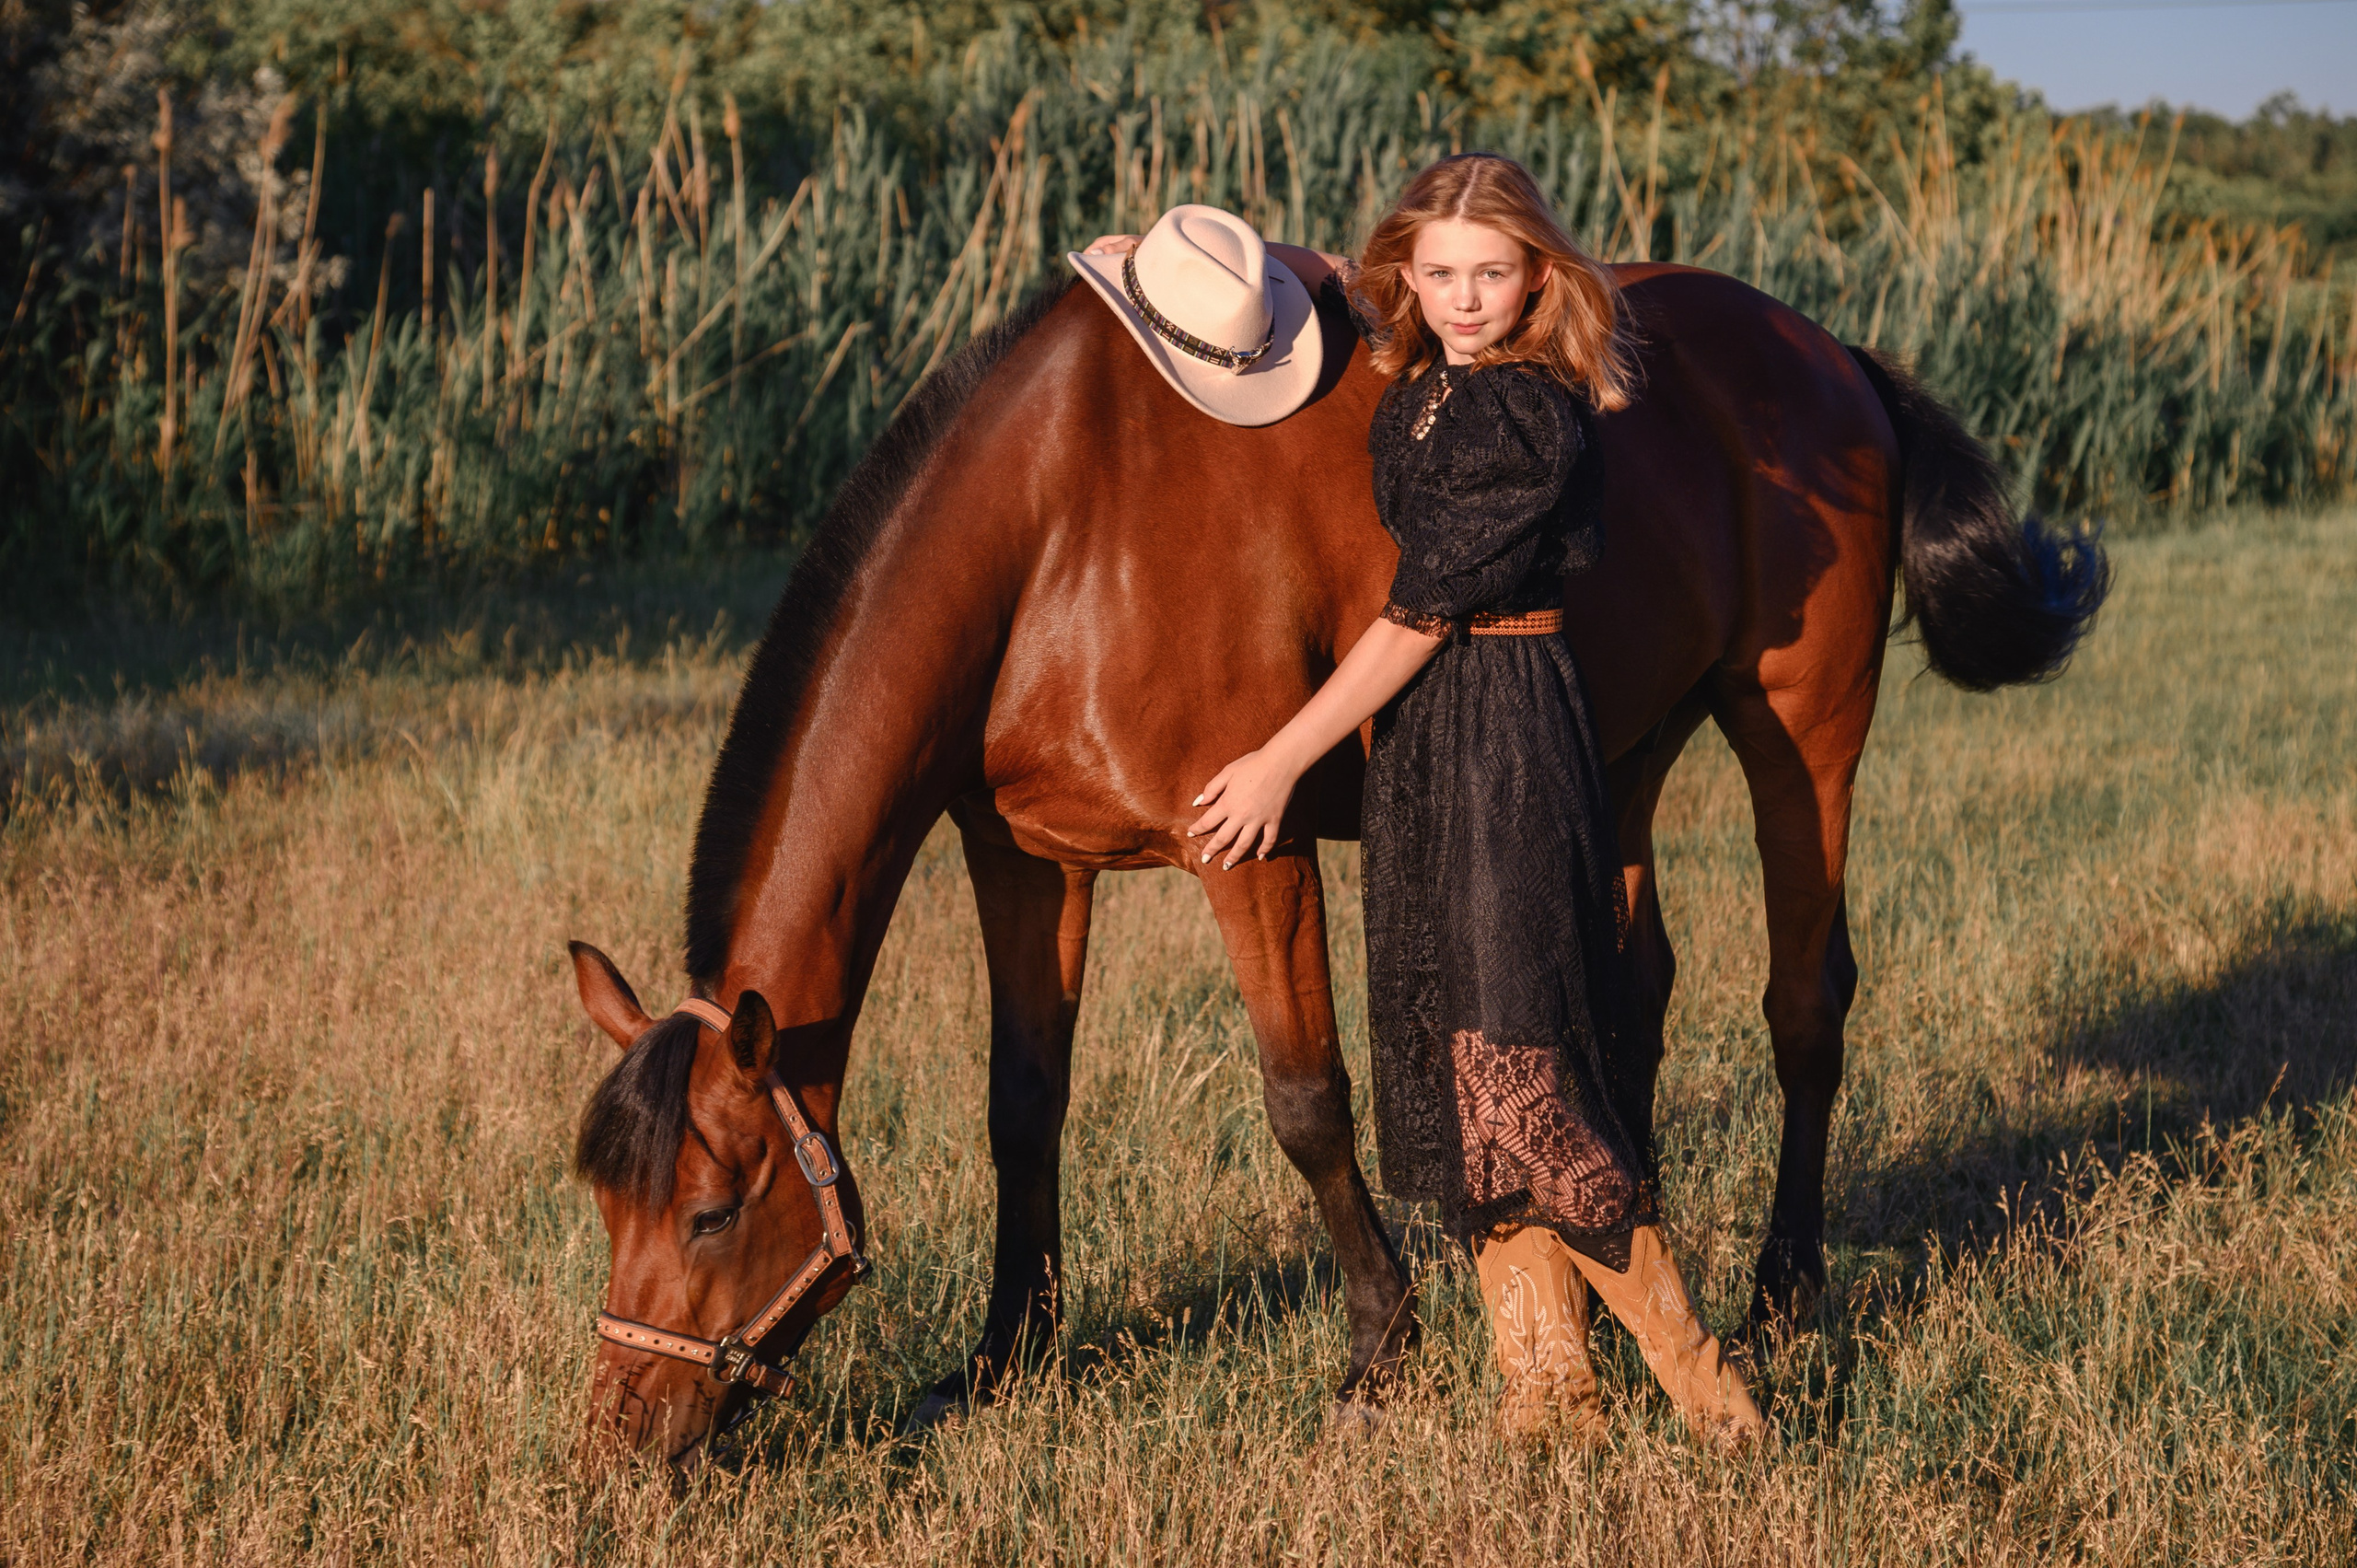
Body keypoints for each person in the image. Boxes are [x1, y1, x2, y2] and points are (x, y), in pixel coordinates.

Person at [1087, 155, 1764, 1451]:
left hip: (1504, 721)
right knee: (1460, 1069)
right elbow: (1338, 283)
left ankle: (1710, 1396)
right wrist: (1170, 264)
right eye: (1439, 272)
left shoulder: (1526, 415)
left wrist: (1282, 757)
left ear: (1541, 278)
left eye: (1491, 274)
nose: (1462, 298)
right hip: (1424, 746)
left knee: (1524, 1073)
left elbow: (1416, 617)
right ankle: (1544, 1392)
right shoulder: (1430, 379)